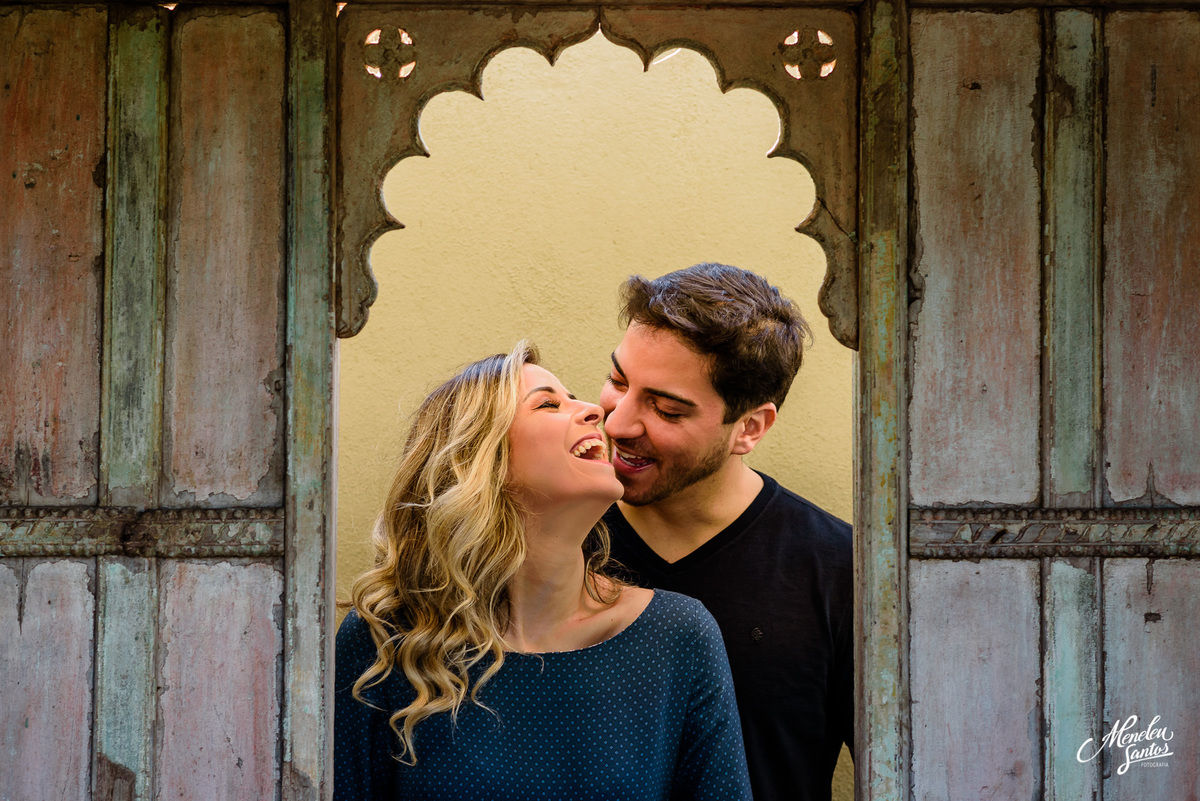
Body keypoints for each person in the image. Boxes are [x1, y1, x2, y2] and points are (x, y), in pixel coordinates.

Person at [334, 343, 752, 801]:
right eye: (549, 404)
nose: (596, 410)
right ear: (480, 461)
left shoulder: (677, 635)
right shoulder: (385, 640)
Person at [600, 263, 854, 801]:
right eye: (618, 382)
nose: (618, 423)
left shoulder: (843, 571)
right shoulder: (551, 538)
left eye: (666, 409)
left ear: (750, 428)